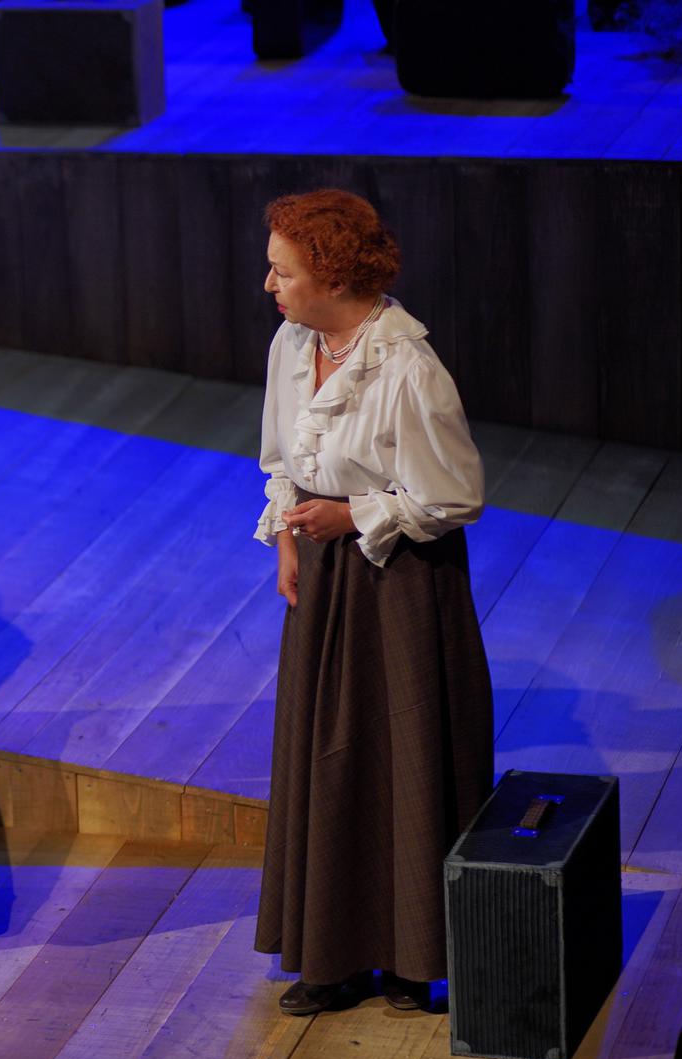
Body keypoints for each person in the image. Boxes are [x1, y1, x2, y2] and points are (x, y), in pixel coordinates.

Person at [251, 189, 493, 1015]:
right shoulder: (293, 343)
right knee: (327, 756)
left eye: (282, 271)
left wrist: (353, 514)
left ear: (330, 276)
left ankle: (409, 958)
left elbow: (453, 496)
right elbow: (283, 456)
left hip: (399, 580)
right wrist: (289, 535)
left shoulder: (405, 368)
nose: (269, 285)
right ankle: (332, 953)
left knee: (400, 758)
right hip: (325, 571)